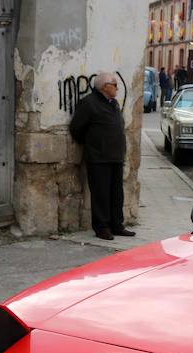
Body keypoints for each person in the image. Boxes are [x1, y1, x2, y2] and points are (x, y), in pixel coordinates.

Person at [69, 71, 135, 241]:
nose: (117, 88)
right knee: (101, 194)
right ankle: (101, 227)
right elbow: (76, 129)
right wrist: (94, 143)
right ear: (105, 87)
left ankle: (116, 225)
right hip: (98, 157)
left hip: (115, 157)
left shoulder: (113, 103)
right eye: (115, 85)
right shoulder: (89, 103)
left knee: (116, 193)